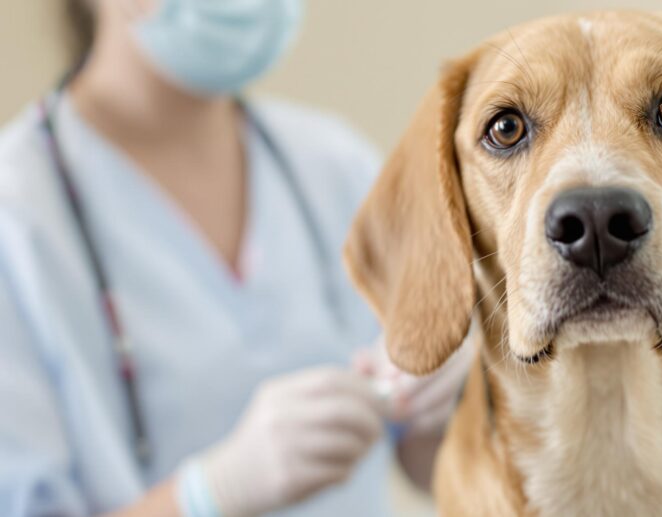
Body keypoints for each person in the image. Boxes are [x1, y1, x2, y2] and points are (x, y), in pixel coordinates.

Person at [0, 0, 471, 515]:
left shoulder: (336, 168)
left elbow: (435, 472)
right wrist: (209, 494)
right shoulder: (18, 218)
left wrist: (457, 406)